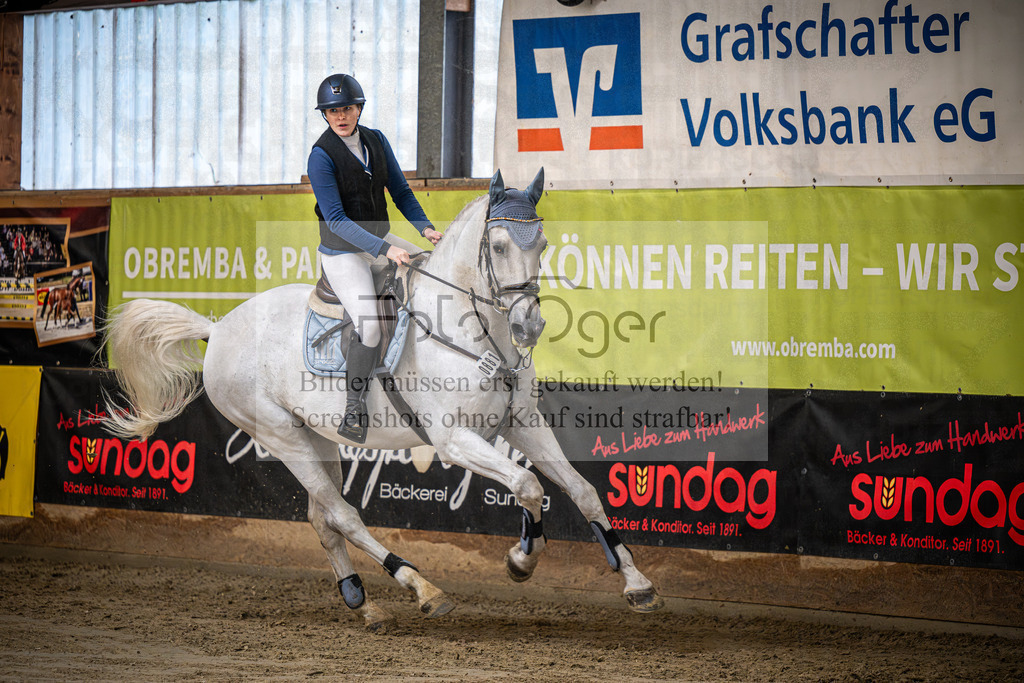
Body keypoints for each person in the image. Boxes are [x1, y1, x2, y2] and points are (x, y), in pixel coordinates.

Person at [308, 73, 442, 443]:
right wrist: (385, 249)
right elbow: (336, 219)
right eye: (332, 110)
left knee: (431, 274)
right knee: (368, 325)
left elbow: (400, 190)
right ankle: (354, 407)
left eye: (347, 108)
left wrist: (425, 229)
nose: (340, 116)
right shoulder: (321, 156)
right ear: (325, 115)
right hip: (343, 252)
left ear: (359, 108)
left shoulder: (376, 141)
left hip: (380, 240)